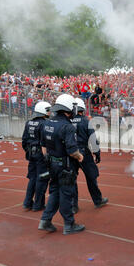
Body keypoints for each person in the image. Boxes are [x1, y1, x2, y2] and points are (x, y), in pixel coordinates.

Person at [38, 94, 85, 235]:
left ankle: (45, 220)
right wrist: (80, 156)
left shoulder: (46, 123)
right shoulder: (67, 126)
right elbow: (72, 151)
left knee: (54, 192)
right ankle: (69, 224)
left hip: (52, 164)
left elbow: (43, 146)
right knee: (66, 194)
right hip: (65, 166)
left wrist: (49, 159)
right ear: (69, 108)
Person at [70, 98, 108, 214]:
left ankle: (73, 206)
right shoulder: (86, 121)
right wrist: (97, 153)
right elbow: (92, 139)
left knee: (72, 180)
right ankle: (97, 200)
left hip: (71, 152)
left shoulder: (68, 121)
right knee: (91, 177)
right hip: (83, 152)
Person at [22, 101, 51, 211]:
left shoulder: (29, 122)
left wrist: (28, 152)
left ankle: (27, 202)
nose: (49, 112)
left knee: (32, 178)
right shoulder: (44, 124)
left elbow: (24, 140)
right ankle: (38, 204)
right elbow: (46, 142)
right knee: (42, 179)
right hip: (40, 154)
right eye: (48, 110)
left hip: (31, 153)